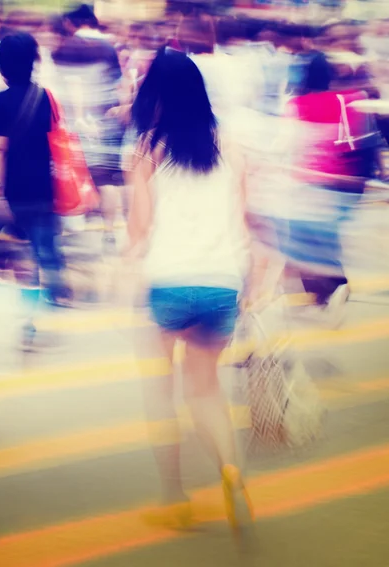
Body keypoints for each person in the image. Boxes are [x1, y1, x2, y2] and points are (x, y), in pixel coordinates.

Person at [126, 48, 253, 531]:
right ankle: (229, 467)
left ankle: (174, 497)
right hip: (223, 282)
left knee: (163, 393)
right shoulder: (231, 146)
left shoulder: (146, 150)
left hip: (169, 282)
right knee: (205, 391)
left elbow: (140, 231)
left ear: (155, 94)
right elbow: (243, 217)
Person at [280, 53, 380, 321]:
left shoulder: (296, 104)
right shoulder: (348, 100)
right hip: (347, 183)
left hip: (311, 182)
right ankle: (330, 291)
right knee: (327, 239)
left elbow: (288, 146)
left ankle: (327, 294)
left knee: (303, 243)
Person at [0, 32, 70, 315]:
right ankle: (58, 294)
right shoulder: (46, 96)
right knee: (45, 242)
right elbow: (56, 137)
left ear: (1, 67)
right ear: (34, 62)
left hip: (13, 187)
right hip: (44, 184)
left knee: (16, 244)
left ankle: (27, 296)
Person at [52, 4, 125, 253]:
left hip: (73, 123)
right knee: (108, 180)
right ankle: (109, 230)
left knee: (69, 174)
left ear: (72, 23)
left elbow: (67, 86)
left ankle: (70, 225)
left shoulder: (65, 47)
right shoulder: (109, 46)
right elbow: (117, 83)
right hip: (104, 122)